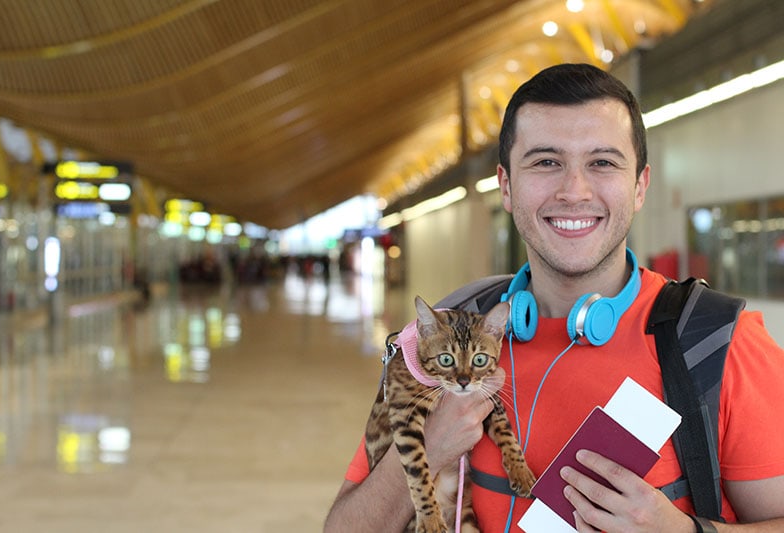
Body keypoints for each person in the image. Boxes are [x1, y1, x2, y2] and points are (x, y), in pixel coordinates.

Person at [324, 63, 784, 532]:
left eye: (602, 162)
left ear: (640, 185)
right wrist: (434, 446)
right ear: (505, 185)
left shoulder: (719, 344)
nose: (573, 191)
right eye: (546, 161)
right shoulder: (451, 334)